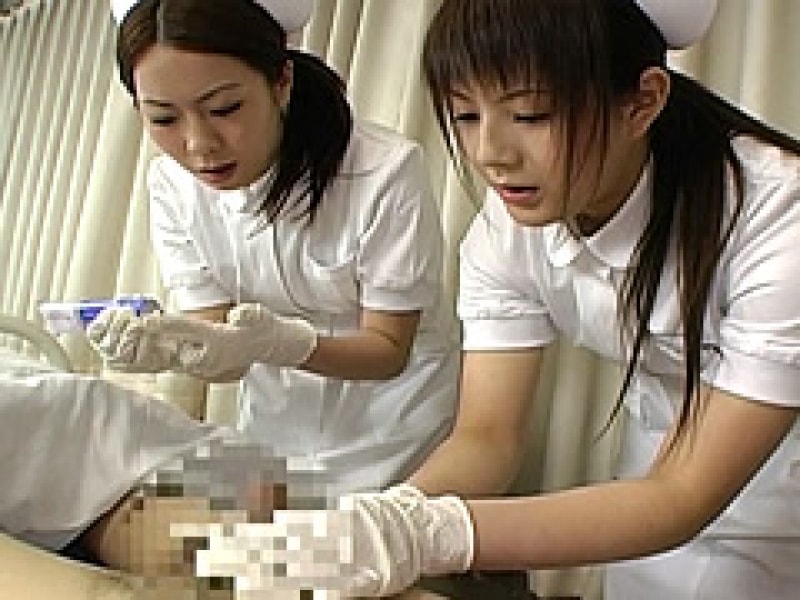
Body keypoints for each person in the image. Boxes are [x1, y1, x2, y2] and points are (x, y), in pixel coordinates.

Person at [186, 0, 800, 598]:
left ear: (642, 101)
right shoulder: (505, 233)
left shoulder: (777, 217)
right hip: (661, 458)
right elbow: (487, 439)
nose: (491, 154)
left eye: (531, 115)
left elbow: (681, 497)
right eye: (466, 115)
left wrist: (427, 537)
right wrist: (387, 518)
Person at [90, 0, 459, 497]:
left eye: (224, 109)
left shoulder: (383, 173)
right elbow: (221, 344)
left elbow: (388, 350)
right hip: (277, 427)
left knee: (369, 540)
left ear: (281, 82)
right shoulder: (171, 188)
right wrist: (170, 346)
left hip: (400, 429)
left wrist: (280, 345)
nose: (198, 144)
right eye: (163, 118)